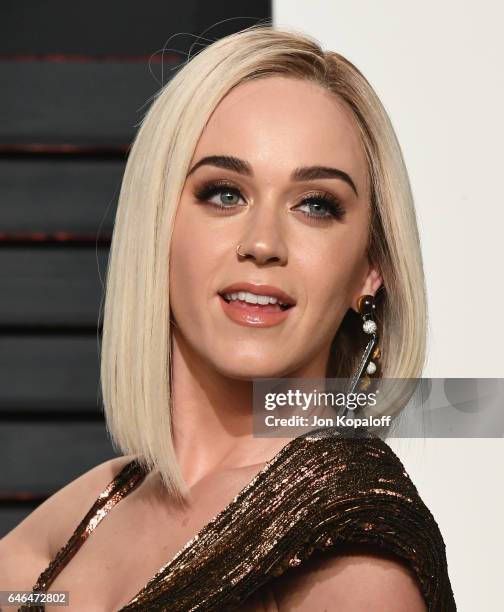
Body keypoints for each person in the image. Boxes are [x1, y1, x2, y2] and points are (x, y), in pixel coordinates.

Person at [0, 25, 456, 611]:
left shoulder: (354, 553)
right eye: (224, 193)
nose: (263, 243)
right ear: (158, 225)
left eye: (316, 205)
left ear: (371, 269)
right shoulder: (87, 512)